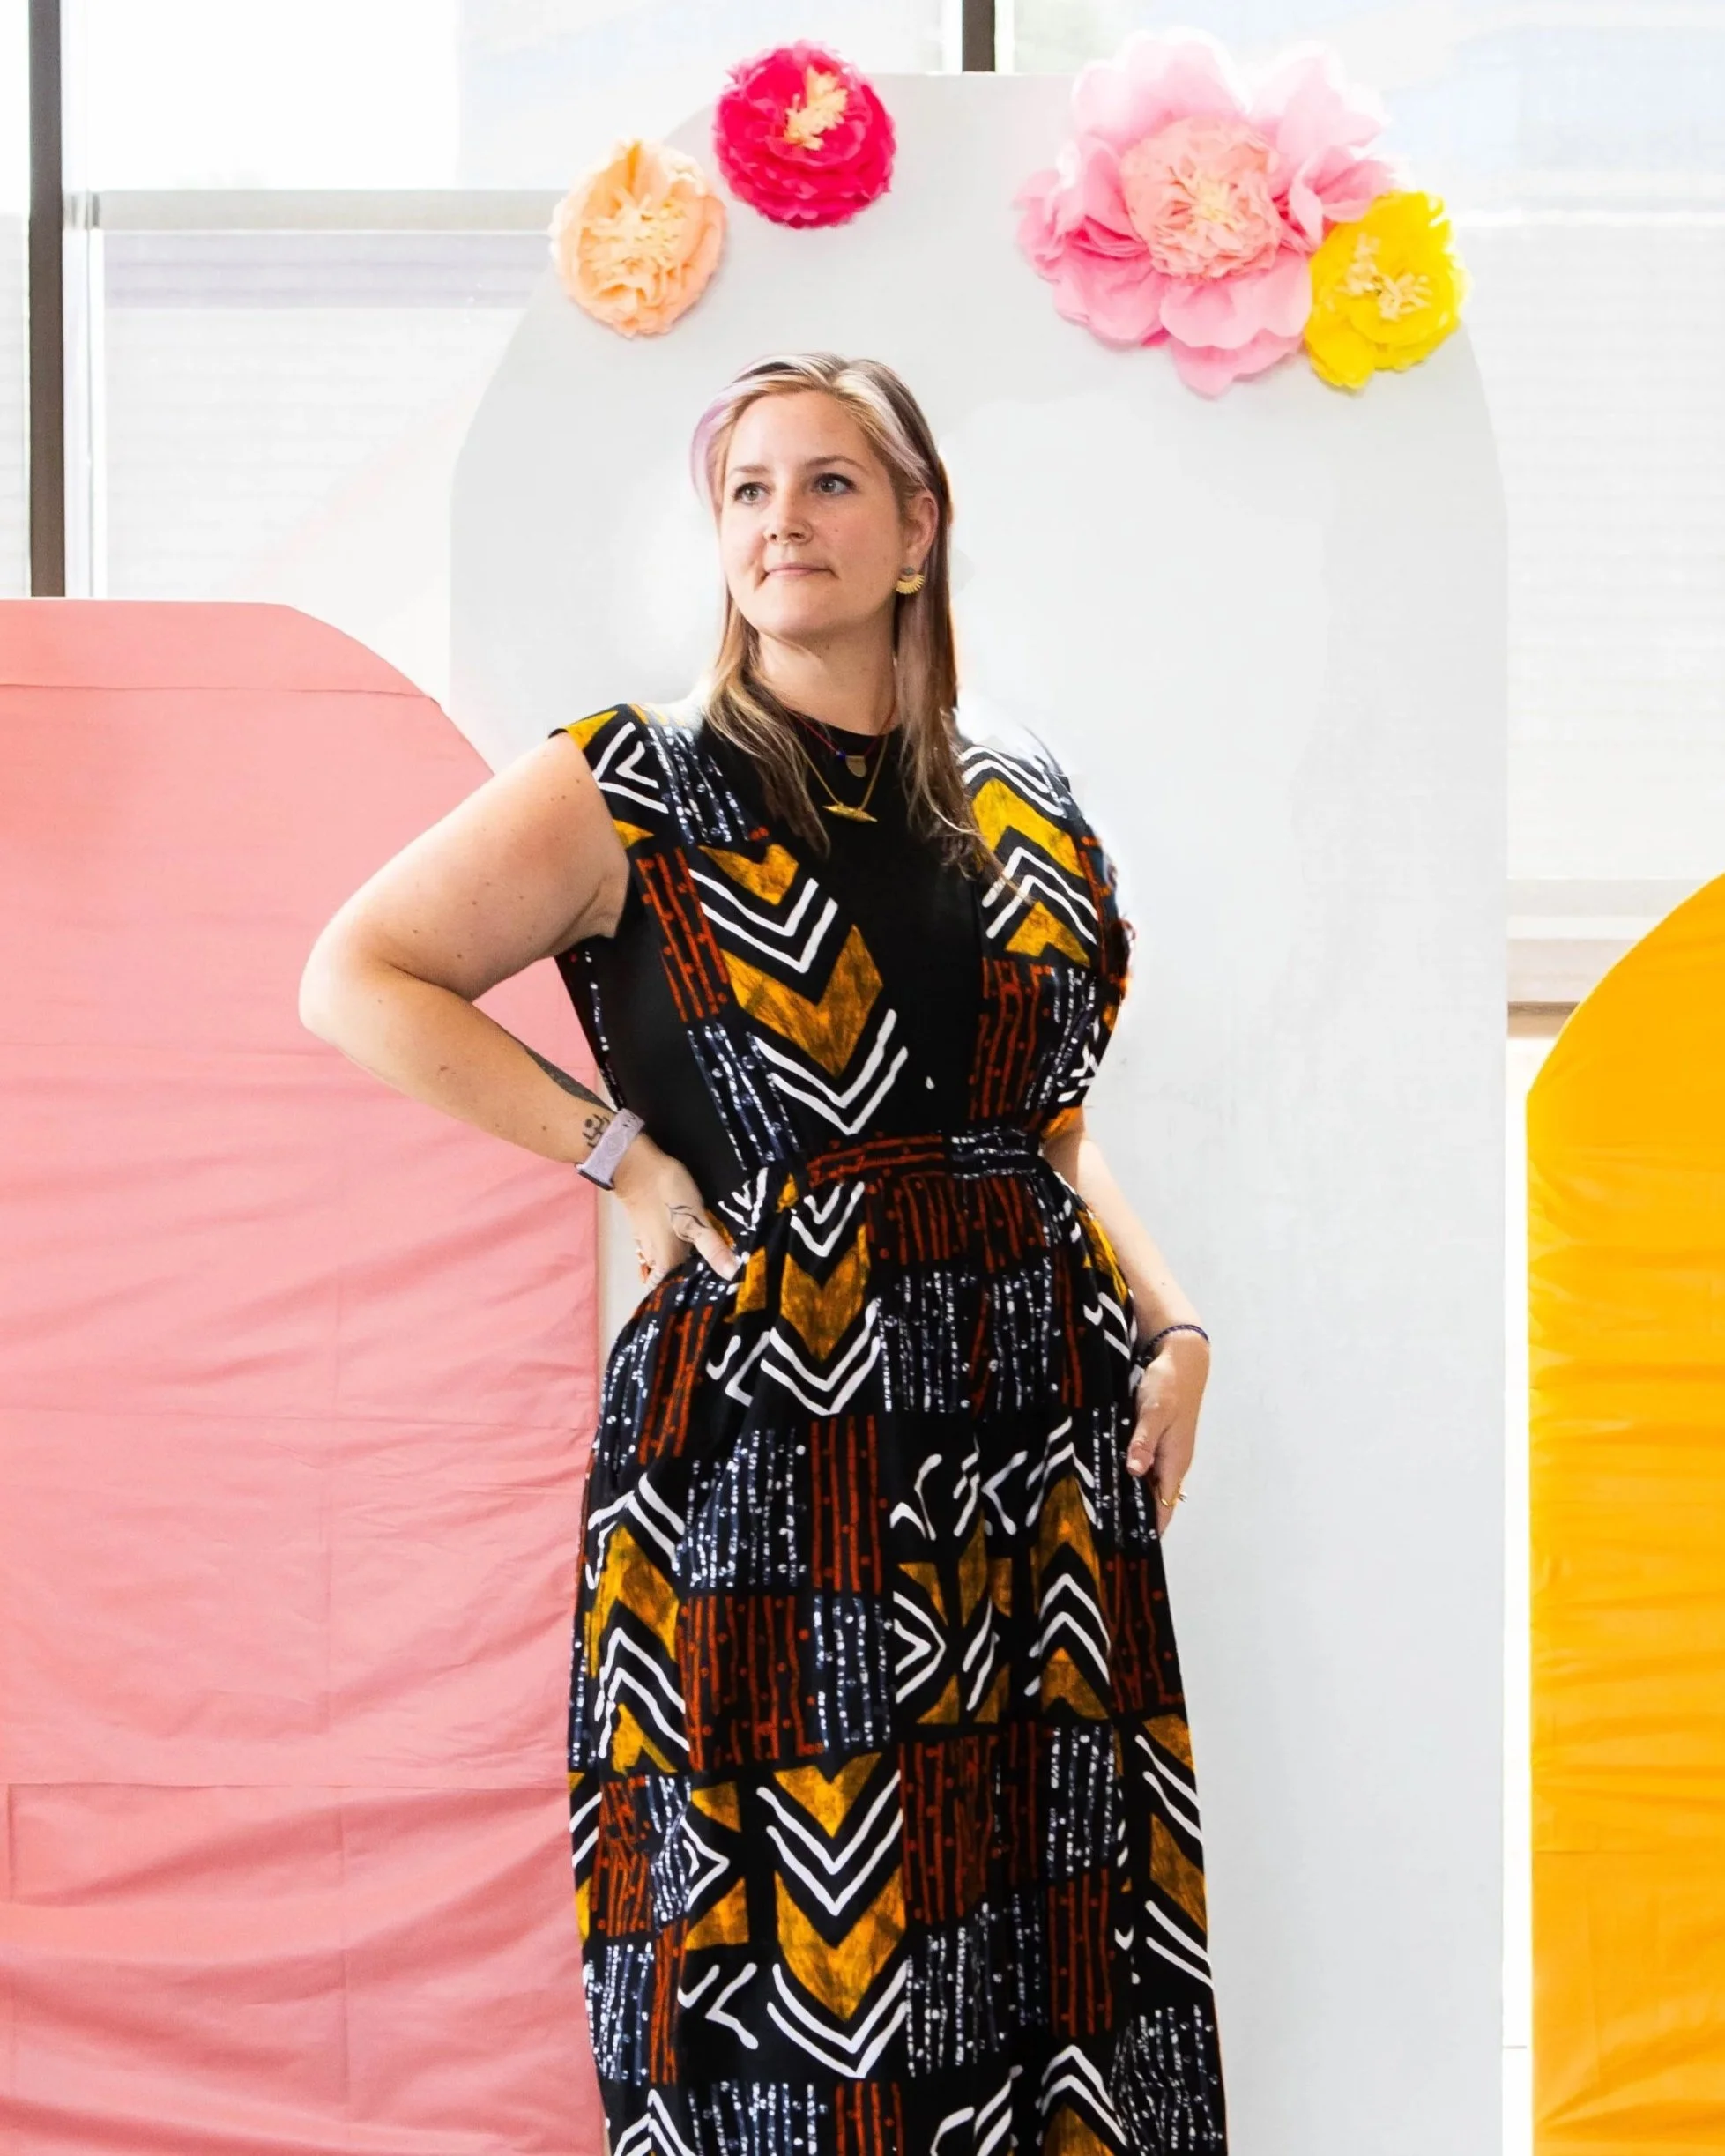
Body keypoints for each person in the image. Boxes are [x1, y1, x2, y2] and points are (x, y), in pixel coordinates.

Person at [300, 351, 1226, 2154]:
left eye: (825, 485)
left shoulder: (1028, 803)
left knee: (1047, 1950)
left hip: (1033, 1464)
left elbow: (1048, 1128)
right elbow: (357, 970)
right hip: (769, 1469)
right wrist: (616, 1155)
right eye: (743, 490)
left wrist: (1178, 1321)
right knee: (803, 1970)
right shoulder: (629, 781)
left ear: (914, 530)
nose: (778, 524)